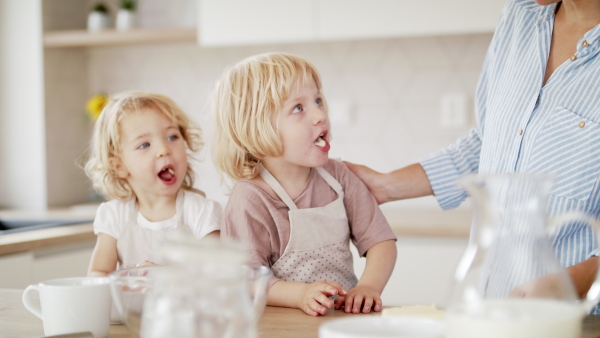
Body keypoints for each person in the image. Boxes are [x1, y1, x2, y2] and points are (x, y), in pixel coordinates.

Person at [345, 0, 600, 313]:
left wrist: (569, 282)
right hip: (491, 307)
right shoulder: (520, 16)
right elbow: (490, 143)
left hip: (577, 318)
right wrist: (385, 185)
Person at [212, 53, 398, 317]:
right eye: (298, 108)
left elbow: (381, 241)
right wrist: (300, 295)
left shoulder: (338, 177)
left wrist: (369, 286)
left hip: (341, 321)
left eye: (318, 100)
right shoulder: (250, 200)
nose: (320, 114)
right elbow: (246, 279)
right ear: (258, 128)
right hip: (282, 327)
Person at [85, 91, 221, 276]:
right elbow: (98, 272)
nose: (164, 150)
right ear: (119, 166)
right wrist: (124, 280)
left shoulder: (201, 213)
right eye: (144, 145)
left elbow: (218, 274)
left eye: (172, 137)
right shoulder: (115, 216)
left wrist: (168, 276)